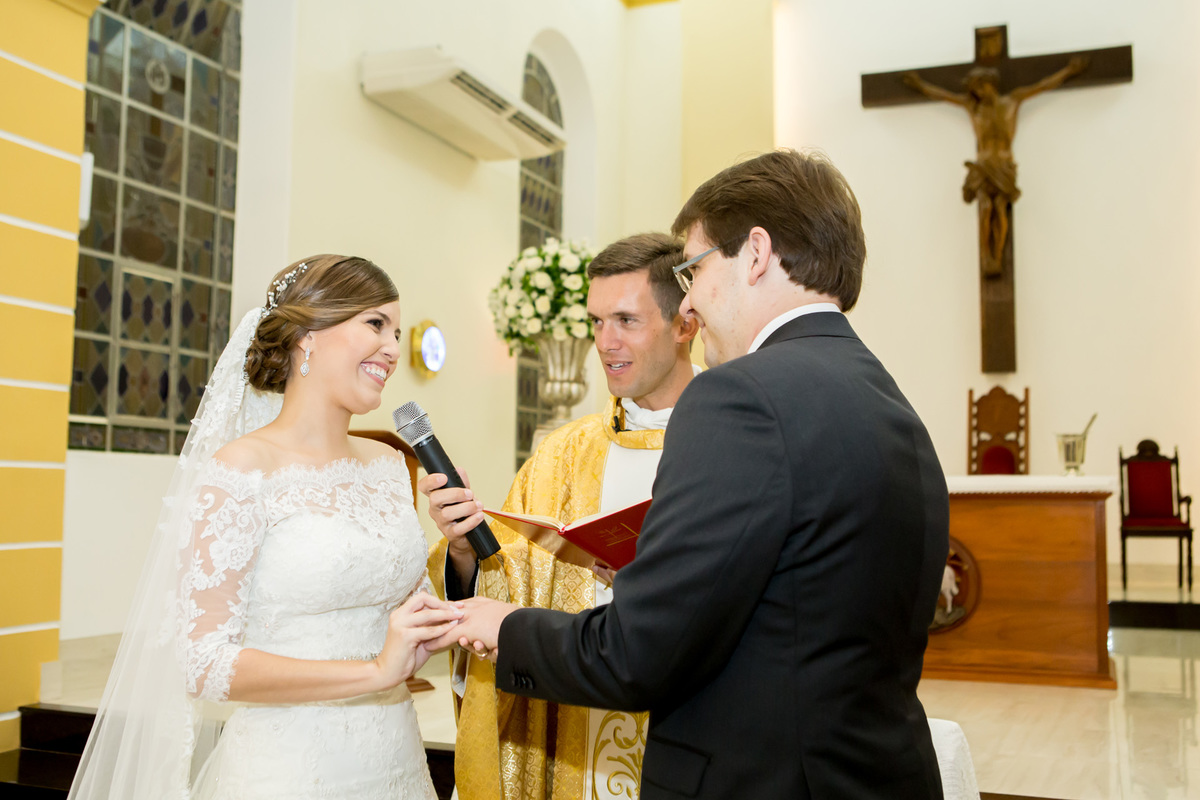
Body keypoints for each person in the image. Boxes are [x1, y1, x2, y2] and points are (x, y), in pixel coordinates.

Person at [439, 150, 951, 799]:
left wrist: (504, 626)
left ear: (756, 254)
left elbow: (639, 654)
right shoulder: (889, 402)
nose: (691, 299)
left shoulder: (739, 397)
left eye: (695, 268)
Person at [68, 255, 463, 800]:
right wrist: (374, 672)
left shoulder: (390, 465)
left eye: (396, 332)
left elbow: (410, 612)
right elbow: (204, 665)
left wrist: (461, 553)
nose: (393, 349)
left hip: (395, 761)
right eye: (376, 324)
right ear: (307, 336)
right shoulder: (241, 470)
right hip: (288, 771)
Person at [422, 233, 698, 800]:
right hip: (575, 744)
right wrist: (465, 552)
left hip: (692, 740)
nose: (605, 342)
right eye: (596, 321)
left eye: (626, 320)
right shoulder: (563, 455)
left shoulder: (734, 444)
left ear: (684, 324)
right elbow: (510, 588)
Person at [903, 57, 1087, 276]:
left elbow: (1043, 85)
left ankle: (997, 257)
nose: (977, 93)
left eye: (979, 87)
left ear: (989, 83)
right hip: (983, 165)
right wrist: (919, 84)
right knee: (985, 206)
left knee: (1000, 207)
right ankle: (986, 257)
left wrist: (1069, 71)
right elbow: (942, 95)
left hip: (1004, 165)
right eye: (974, 89)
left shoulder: (1013, 100)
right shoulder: (973, 108)